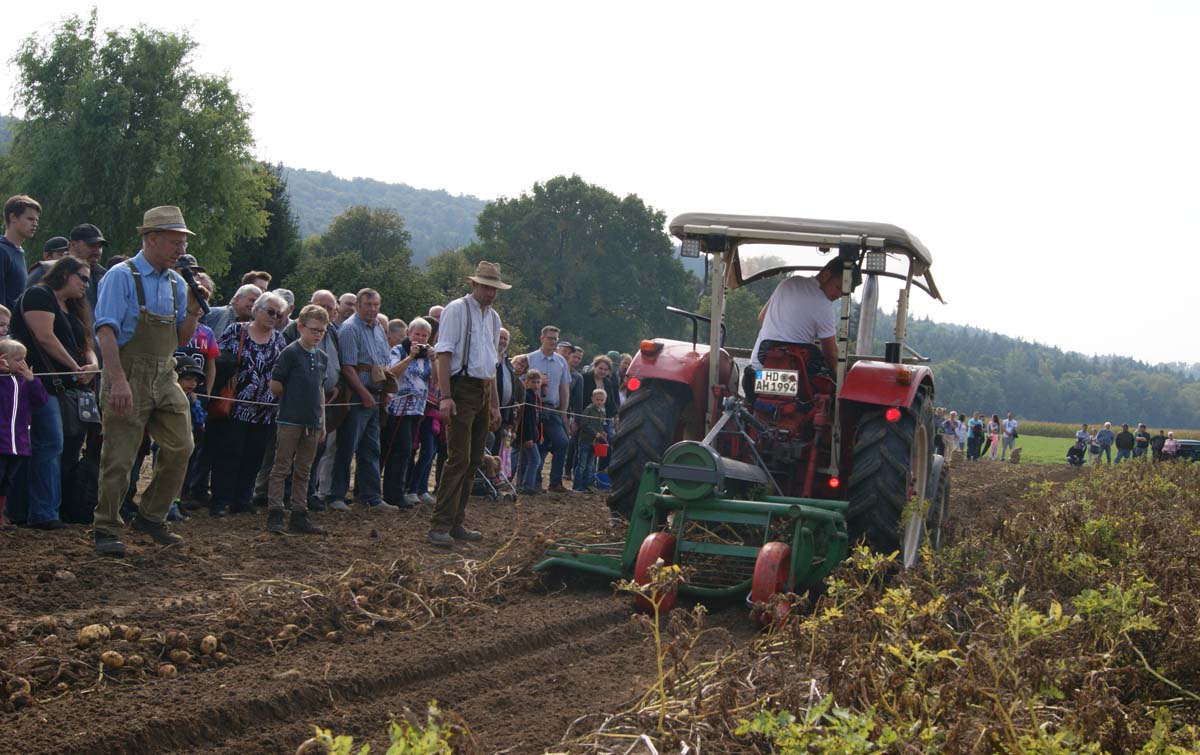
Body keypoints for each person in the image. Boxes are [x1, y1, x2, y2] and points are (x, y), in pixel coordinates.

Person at [91, 206, 208, 556]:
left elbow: (182, 339)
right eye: (175, 242)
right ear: (152, 239)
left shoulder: (176, 282)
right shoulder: (121, 276)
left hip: (165, 370)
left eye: (183, 243)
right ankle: (106, 527)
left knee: (181, 446)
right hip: (126, 371)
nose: (181, 251)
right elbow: (105, 331)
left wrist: (192, 309)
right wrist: (118, 381)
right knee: (120, 457)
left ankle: (151, 516)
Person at [9, 256, 99, 528]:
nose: (86, 284)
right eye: (82, 277)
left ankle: (45, 509)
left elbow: (87, 342)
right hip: (42, 384)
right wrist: (75, 367)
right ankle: (43, 513)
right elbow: (44, 336)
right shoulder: (39, 295)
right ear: (64, 273)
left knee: (68, 448)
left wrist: (92, 365)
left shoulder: (74, 306)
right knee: (50, 444)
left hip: (71, 388)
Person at [429, 261, 507, 547]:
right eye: (486, 287)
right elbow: (443, 354)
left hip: (483, 390)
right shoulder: (456, 310)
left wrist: (495, 405)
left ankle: (457, 522)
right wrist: (445, 395)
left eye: (494, 288)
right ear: (474, 285)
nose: (490, 293)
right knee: (458, 458)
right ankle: (440, 524)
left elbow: (492, 365)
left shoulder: (494, 318)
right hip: (461, 389)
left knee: (475, 460)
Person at [209, 292, 286, 517]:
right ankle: (221, 500)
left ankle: (242, 499)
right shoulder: (237, 330)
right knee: (229, 453)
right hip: (236, 405)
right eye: (270, 312)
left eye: (279, 314)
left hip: (265, 409)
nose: (274, 317)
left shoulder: (279, 339)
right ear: (257, 310)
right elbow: (220, 359)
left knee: (254, 455)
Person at [329, 288, 395, 512]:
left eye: (376, 305)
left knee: (371, 448)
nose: (373, 309)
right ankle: (337, 495)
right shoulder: (350, 329)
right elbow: (348, 367)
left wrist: (385, 391)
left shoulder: (378, 327)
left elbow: (383, 362)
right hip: (357, 395)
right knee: (347, 447)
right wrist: (364, 394)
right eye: (368, 305)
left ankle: (371, 496)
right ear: (358, 305)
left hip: (375, 394)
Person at [265, 304, 329, 535]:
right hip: (290, 419)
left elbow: (320, 389)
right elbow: (275, 385)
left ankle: (299, 513)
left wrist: (322, 419)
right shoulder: (290, 353)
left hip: (312, 421)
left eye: (322, 331)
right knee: (281, 466)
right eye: (314, 330)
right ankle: (275, 512)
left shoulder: (322, 357)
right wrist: (293, 399)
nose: (317, 335)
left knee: (304, 469)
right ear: (301, 327)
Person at [750, 257, 856, 376]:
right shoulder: (823, 304)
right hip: (793, 378)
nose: (839, 295)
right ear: (826, 275)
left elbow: (762, 318)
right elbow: (831, 355)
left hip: (758, 371)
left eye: (843, 293)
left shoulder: (788, 283)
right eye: (838, 288)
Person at [383, 317, 434, 508]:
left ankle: (400, 490)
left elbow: (434, 380)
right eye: (417, 334)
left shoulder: (427, 356)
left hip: (418, 409)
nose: (420, 338)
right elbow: (392, 373)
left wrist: (434, 360)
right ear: (409, 334)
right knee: (401, 449)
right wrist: (410, 357)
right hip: (400, 407)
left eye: (425, 335)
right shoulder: (399, 350)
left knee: (409, 450)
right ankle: (392, 493)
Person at [0, 340, 47, 530]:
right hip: (1, 442)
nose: (23, 364)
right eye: (17, 360)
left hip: (18, 443)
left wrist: (32, 380)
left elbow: (41, 400)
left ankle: (1, 517)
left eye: (24, 359)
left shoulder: (25, 382)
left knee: (6, 482)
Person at [526, 325, 572, 493]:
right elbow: (521, 382)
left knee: (562, 442)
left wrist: (564, 411)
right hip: (533, 407)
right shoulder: (530, 358)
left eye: (555, 339)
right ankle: (535, 482)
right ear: (542, 338)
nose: (553, 342)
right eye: (551, 338)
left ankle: (555, 481)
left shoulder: (561, 362)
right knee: (536, 443)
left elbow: (564, 387)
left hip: (552, 408)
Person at [29, 224, 109, 309]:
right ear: (73, 245)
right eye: (91, 245)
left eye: (100, 247)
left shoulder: (104, 276)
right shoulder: (46, 270)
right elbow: (25, 305)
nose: (97, 252)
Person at [1, 195, 41, 312]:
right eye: (30, 219)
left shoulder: (17, 251)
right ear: (13, 217)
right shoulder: (2, 251)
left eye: (36, 220)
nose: (35, 224)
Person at [573, 388, 608, 492]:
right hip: (585, 441)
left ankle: (587, 485)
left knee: (590, 465)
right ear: (592, 399)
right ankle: (577, 486)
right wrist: (595, 433)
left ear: (604, 401)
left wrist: (602, 432)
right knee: (582, 464)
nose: (599, 402)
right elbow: (584, 424)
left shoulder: (602, 412)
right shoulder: (588, 410)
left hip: (594, 443)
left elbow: (600, 425)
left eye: (602, 400)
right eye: (597, 399)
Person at [517, 369, 544, 495]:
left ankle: (521, 484)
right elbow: (527, 420)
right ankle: (527, 486)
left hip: (532, 435)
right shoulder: (527, 397)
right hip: (526, 435)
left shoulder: (534, 397)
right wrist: (528, 437)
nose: (536, 385)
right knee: (535, 459)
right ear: (527, 382)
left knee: (525, 460)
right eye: (533, 382)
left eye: (538, 382)